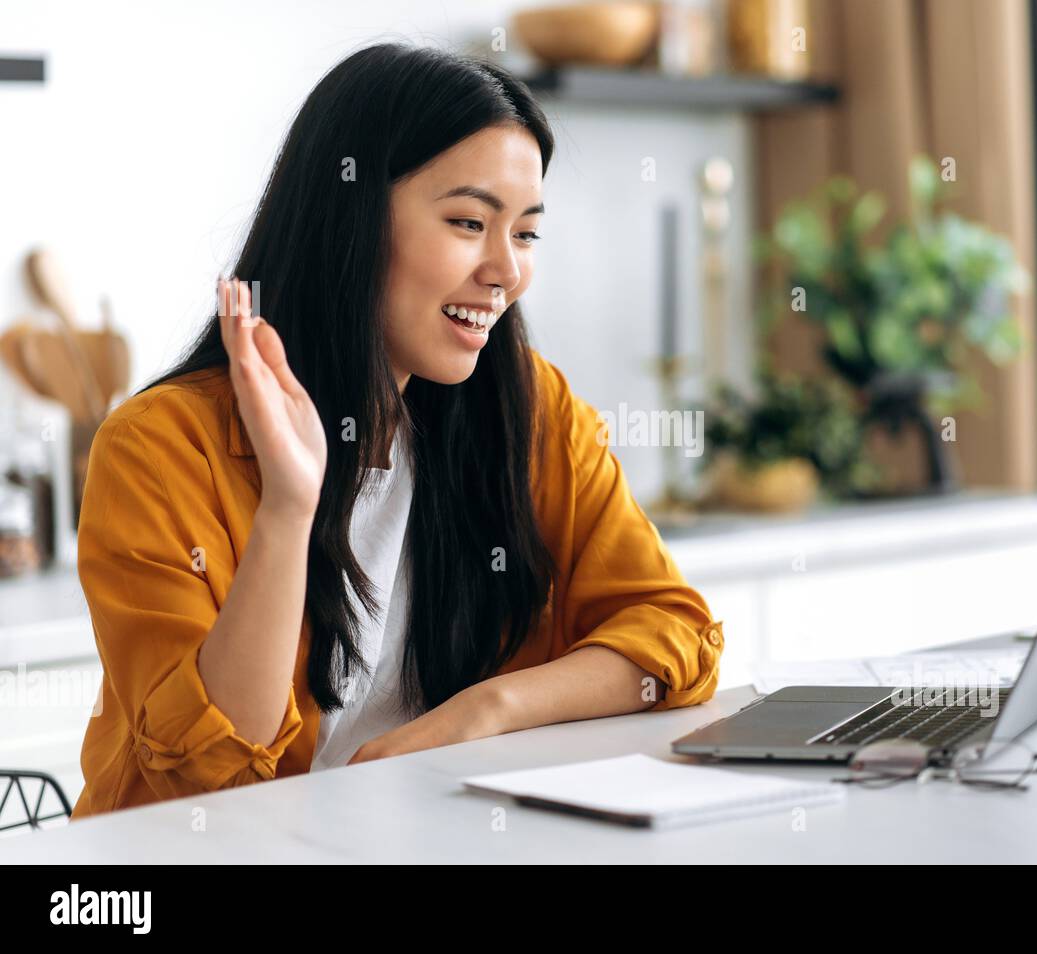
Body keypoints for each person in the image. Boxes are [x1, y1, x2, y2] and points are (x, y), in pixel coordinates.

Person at [72, 43, 724, 818]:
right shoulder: (159, 448)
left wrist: (486, 712)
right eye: (469, 221)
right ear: (349, 219)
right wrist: (288, 503)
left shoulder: (530, 410)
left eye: (524, 234)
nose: (506, 271)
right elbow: (212, 779)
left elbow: (676, 633)